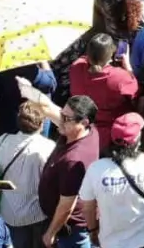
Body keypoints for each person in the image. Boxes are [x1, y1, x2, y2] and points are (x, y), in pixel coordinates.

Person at [78, 113, 144, 248]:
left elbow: (87, 207)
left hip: (112, 242)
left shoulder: (96, 168)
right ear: (138, 138)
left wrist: (93, 231)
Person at [0, 101, 55, 248]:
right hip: (38, 213)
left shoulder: (3, 140)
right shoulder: (48, 147)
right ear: (41, 124)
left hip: (8, 212)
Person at [39, 96, 101, 248]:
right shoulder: (91, 131)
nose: (61, 120)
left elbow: (67, 206)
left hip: (72, 228)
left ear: (84, 122)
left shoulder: (73, 161)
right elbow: (54, 113)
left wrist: (51, 233)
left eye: (66, 118)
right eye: (62, 114)